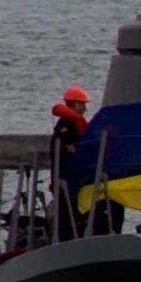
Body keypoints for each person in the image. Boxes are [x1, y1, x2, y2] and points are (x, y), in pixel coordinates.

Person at [50, 86, 89, 242]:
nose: (85, 108)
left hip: (71, 177)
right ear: (75, 104)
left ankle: (71, 237)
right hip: (68, 178)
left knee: (71, 214)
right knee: (68, 215)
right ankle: (68, 240)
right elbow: (66, 149)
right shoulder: (67, 123)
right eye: (82, 104)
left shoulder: (70, 122)